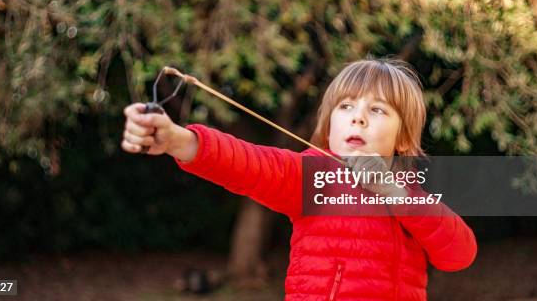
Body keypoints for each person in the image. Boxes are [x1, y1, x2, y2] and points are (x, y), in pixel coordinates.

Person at [121, 58, 477, 301]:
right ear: (329, 125)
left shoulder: (412, 196)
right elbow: (248, 164)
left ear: (402, 138)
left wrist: (394, 192)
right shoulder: (314, 176)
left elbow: (459, 254)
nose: (358, 119)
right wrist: (180, 141)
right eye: (346, 106)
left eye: (378, 109)